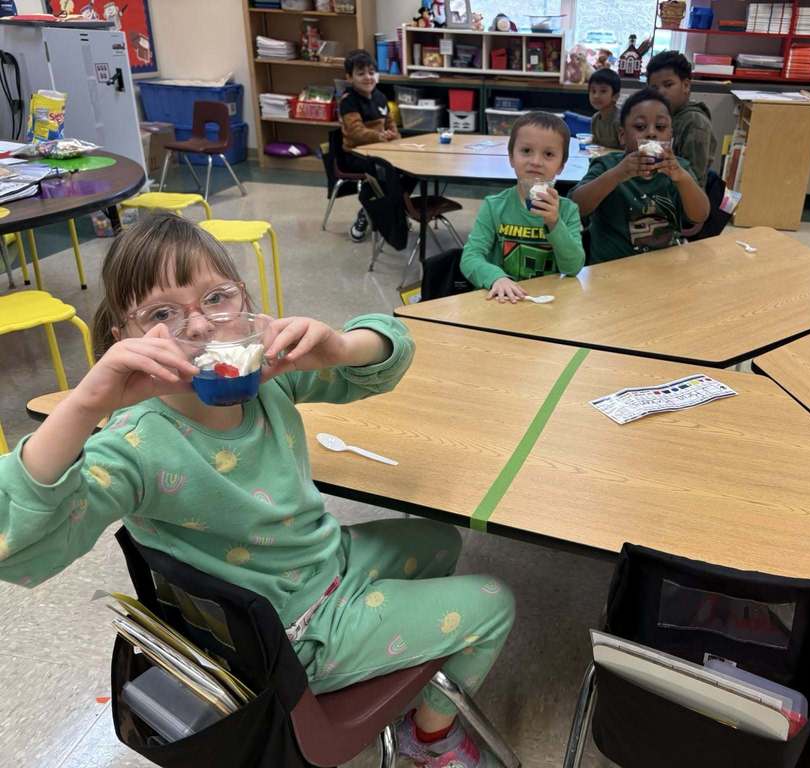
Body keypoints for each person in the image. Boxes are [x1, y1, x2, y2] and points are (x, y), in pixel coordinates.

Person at [0, 214, 515, 768]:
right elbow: (16, 537)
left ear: (242, 306)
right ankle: (429, 740)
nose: (197, 327)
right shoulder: (134, 447)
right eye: (162, 315)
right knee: (495, 602)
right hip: (291, 634)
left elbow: (388, 356)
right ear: (121, 339)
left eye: (215, 298)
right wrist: (85, 404)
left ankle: (387, 651)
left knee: (441, 540)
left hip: (321, 565)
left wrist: (340, 346)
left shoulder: (265, 379)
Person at [570, 89, 710, 264]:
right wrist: (617, 174)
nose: (651, 133)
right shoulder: (608, 166)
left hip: (663, 267)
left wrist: (683, 178)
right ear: (622, 135)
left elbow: (700, 215)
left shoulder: (679, 169)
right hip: (610, 270)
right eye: (640, 127)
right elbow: (576, 207)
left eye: (660, 127)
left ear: (670, 135)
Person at [460, 112, 585, 303]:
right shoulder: (494, 206)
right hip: (502, 300)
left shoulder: (568, 211)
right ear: (511, 158)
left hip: (548, 301)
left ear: (561, 166)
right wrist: (496, 277)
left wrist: (554, 223)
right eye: (526, 151)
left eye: (549, 154)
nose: (535, 162)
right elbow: (470, 257)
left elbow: (573, 267)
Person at [339, 49, 399, 243]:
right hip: (355, 155)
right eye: (361, 73)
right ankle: (366, 213)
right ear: (349, 78)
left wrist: (393, 135)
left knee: (406, 171)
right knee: (383, 172)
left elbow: (391, 124)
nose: (368, 77)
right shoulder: (348, 101)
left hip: (381, 150)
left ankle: (396, 211)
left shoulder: (380, 97)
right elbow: (356, 133)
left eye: (371, 72)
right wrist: (380, 136)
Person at [645, 51, 716, 187]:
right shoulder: (662, 116)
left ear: (686, 86)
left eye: (668, 85)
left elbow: (695, 179)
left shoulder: (695, 122)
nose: (660, 92)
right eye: (654, 88)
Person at [588, 67, 622, 150]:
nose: (596, 96)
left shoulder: (620, 121)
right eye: (593, 91)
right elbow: (595, 146)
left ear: (615, 96)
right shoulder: (595, 119)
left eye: (603, 91)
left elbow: (625, 152)